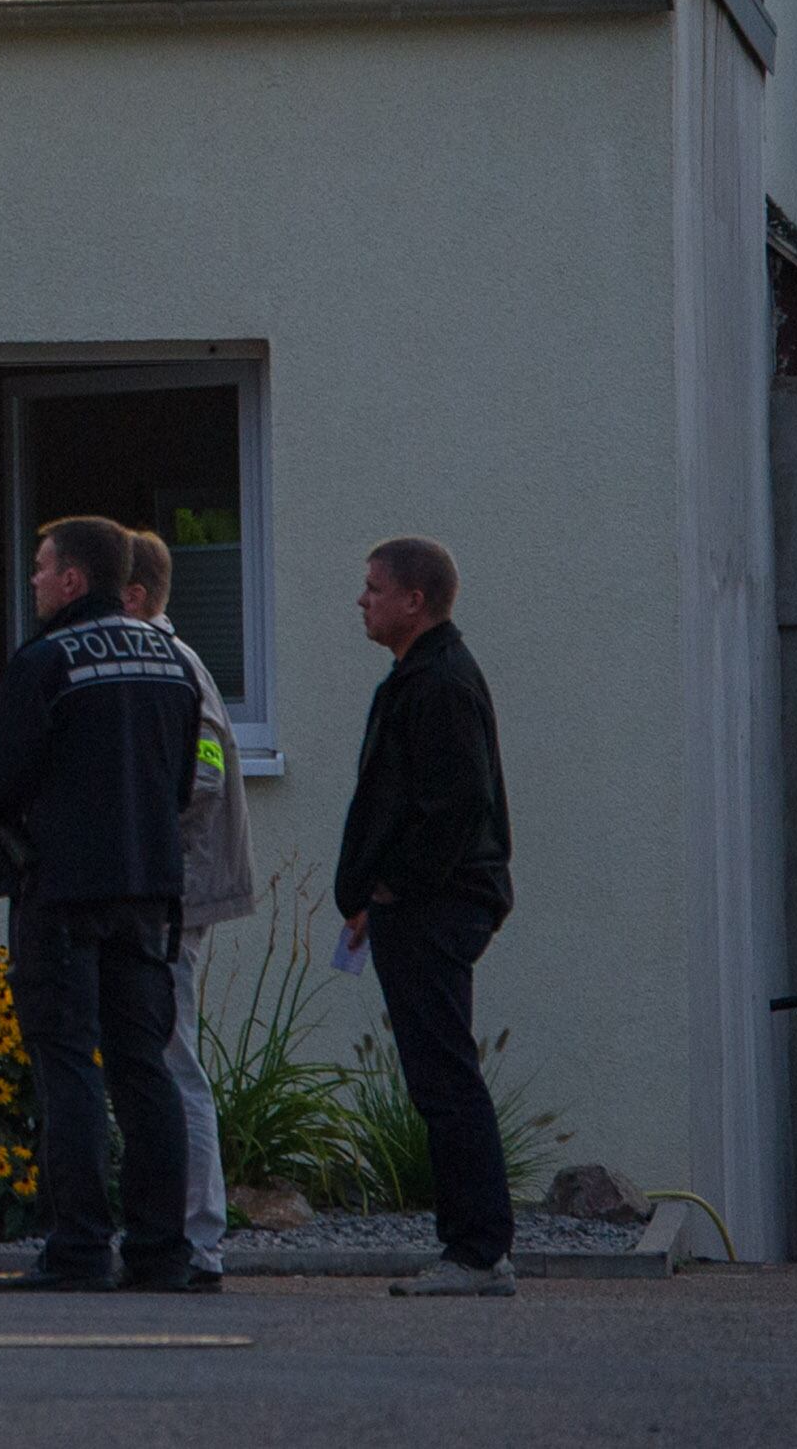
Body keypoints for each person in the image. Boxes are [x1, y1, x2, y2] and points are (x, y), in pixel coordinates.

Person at [0, 513, 203, 1292]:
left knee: (69, 1069)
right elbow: (185, 778)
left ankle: (81, 1247)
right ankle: (162, 1251)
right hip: (150, 892)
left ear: (73, 579)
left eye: (40, 567)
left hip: (59, 892)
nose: (32, 580)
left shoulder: (48, 660)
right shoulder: (172, 658)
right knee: (145, 1069)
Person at [336, 534, 517, 1296]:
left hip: (435, 906)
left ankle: (476, 1251)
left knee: (444, 1075)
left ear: (415, 599)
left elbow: (454, 806)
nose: (362, 598)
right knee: (437, 1072)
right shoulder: (419, 675)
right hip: (422, 903)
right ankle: (473, 1245)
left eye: (374, 587)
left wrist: (392, 889)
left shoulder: (439, 680)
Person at [124, 530, 254, 1286]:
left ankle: (198, 1239)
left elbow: (200, 774)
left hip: (177, 890)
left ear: (135, 598)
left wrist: (144, 846)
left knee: (175, 1060)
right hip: (173, 886)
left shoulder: (175, 664)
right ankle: (182, 1232)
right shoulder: (171, 660)